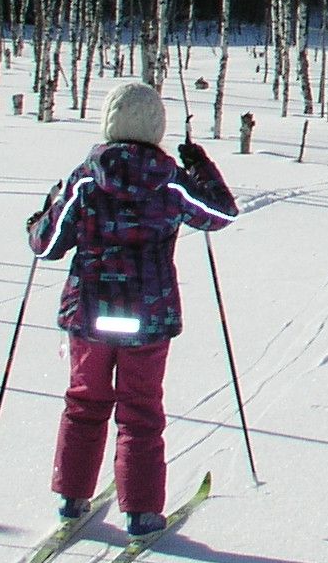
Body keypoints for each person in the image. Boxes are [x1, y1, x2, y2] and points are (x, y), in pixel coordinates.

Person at [28, 79, 239, 536]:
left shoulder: (86, 179)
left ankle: (71, 498)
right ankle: (141, 513)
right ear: (156, 127)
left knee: (84, 402)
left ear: (110, 123)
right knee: (140, 410)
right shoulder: (171, 181)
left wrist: (40, 216)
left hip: (89, 317)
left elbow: (46, 245)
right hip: (148, 319)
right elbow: (221, 214)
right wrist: (200, 165)